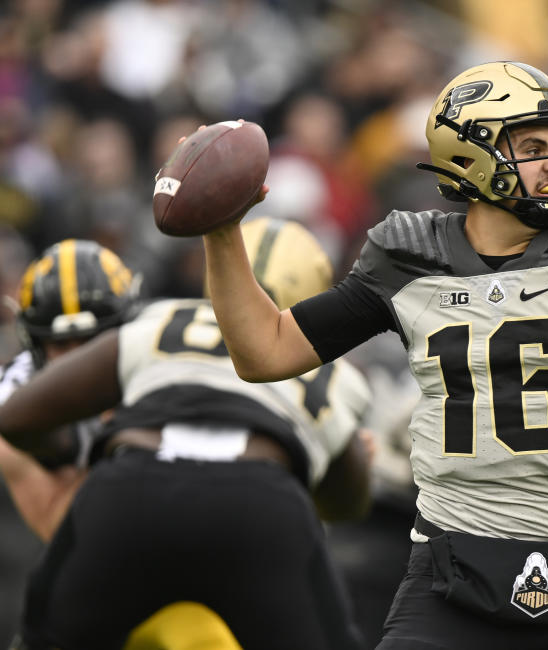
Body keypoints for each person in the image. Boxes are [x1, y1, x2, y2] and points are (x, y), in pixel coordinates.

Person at [200, 61, 548, 649]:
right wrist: (222, 231)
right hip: (451, 579)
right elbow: (266, 353)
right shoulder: (407, 255)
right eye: (533, 146)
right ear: (470, 155)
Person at [0, 217, 374, 650]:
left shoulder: (162, 322)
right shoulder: (333, 370)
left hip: (130, 495)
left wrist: (75, 450)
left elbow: (16, 420)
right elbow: (348, 505)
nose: (72, 355)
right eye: (59, 345)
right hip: (260, 510)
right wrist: (329, 459)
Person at [0, 238, 141, 542]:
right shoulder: (12, 398)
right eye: (60, 344)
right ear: (35, 344)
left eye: (92, 342)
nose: (77, 361)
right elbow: (66, 532)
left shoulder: (151, 365)